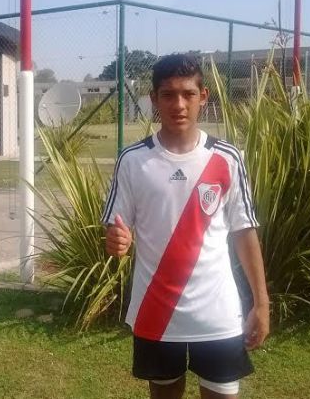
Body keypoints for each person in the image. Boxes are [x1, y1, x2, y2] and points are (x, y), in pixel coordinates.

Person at [102, 53, 269, 399]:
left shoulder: (227, 158)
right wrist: (117, 241)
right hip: (156, 311)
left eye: (188, 94)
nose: (179, 104)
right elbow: (117, 231)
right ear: (154, 99)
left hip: (217, 313)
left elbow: (244, 231)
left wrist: (262, 303)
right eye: (168, 94)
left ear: (203, 97)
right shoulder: (133, 160)